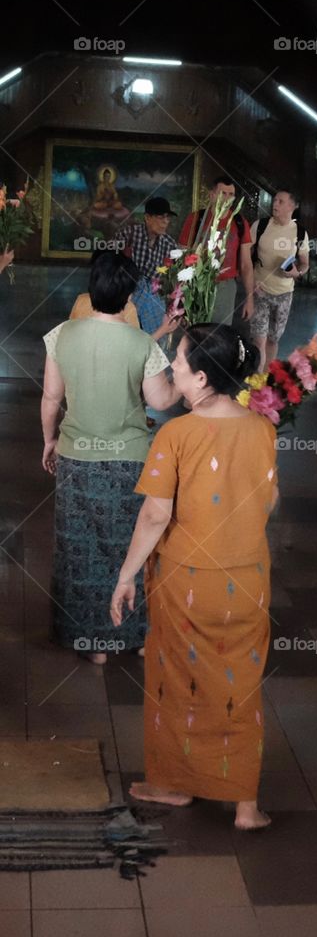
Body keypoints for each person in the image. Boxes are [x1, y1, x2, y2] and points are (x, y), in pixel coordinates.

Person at [110, 323, 277, 831]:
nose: (171, 369)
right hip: (248, 578)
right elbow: (270, 501)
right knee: (241, 686)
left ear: (201, 379)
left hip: (187, 581)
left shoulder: (175, 434)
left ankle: (175, 784)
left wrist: (124, 576)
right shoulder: (262, 428)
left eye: (177, 363)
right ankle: (245, 804)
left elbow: (155, 517)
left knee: (179, 683)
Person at [41, 252, 181, 663]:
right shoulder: (141, 342)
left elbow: (52, 398)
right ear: (129, 295)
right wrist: (184, 383)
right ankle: (134, 636)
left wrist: (49, 440)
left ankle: (92, 643)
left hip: (75, 457)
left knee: (80, 549)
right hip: (131, 461)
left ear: (92, 287)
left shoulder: (62, 335)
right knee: (130, 547)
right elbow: (160, 400)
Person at [178, 176, 254, 328]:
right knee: (196, 331)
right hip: (197, 284)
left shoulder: (239, 222)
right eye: (222, 193)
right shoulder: (196, 218)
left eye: (230, 194)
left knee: (220, 334)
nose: (226, 198)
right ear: (212, 195)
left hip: (225, 287)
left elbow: (246, 264)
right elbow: (182, 256)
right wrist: (181, 294)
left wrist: (250, 299)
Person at [249, 189, 310, 371]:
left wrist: (296, 273)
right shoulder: (260, 226)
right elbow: (246, 254)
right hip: (259, 289)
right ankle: (256, 379)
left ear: (293, 206)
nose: (275, 204)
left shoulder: (300, 233)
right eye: (275, 200)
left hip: (284, 293)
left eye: (281, 201)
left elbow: (305, 264)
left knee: (273, 338)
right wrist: (250, 282)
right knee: (258, 338)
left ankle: (266, 376)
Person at [114, 197, 179, 334]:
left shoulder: (169, 244)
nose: (165, 222)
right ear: (147, 218)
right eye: (161, 217)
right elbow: (111, 266)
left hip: (153, 303)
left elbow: (170, 279)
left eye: (168, 218)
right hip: (126, 298)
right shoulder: (128, 235)